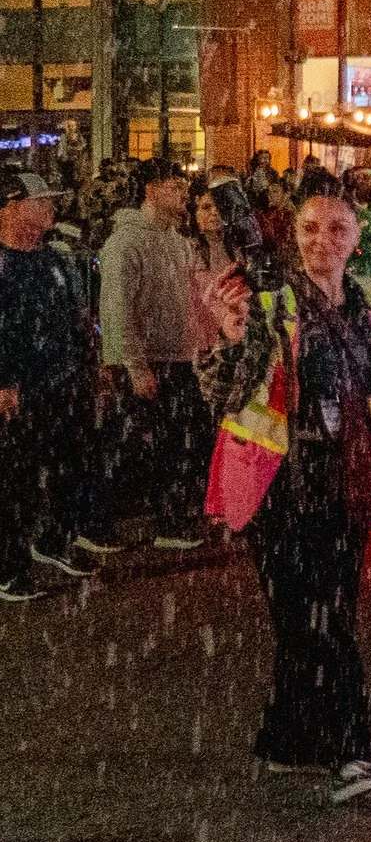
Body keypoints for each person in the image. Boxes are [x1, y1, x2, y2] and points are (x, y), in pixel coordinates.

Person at [201, 188, 371, 802]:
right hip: (279, 486)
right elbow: (225, 393)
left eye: (337, 229)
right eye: (312, 228)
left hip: (344, 481)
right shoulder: (270, 295)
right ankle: (350, 747)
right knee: (307, 617)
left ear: (356, 236)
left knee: (326, 615)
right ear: (294, 234)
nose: (324, 241)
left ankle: (290, 737)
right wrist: (231, 336)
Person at [0, 168, 103, 600]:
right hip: (18, 391)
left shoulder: (55, 257)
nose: (50, 208)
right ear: (10, 206)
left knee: (65, 467)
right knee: (15, 478)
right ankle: (10, 565)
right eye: (39, 201)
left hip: (61, 382)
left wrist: (88, 367)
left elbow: (75, 319)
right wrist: (4, 382)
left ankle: (54, 540)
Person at [101, 156, 211, 549]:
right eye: (174, 186)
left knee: (176, 440)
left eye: (183, 186)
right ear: (150, 190)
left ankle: (171, 518)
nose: (183, 193)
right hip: (146, 360)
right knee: (131, 444)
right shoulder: (125, 242)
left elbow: (192, 300)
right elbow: (118, 309)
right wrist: (135, 366)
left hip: (178, 356)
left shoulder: (177, 241)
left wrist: (200, 343)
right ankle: (95, 520)